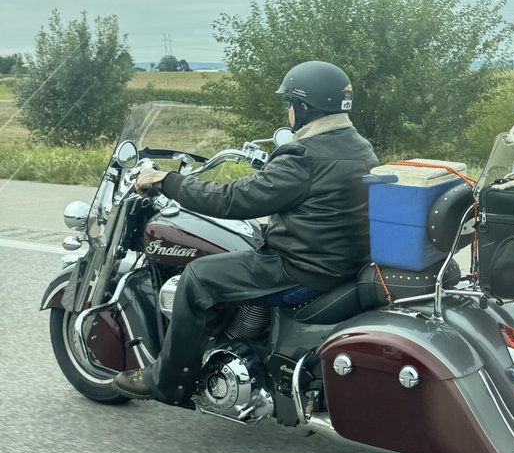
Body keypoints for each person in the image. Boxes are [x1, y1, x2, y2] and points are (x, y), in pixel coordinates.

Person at [112, 61, 379, 404]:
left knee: (197, 277)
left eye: (289, 104)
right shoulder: (358, 146)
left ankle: (167, 380)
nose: (287, 112)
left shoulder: (304, 155)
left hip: (304, 268)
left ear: (304, 106)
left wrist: (168, 181)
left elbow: (234, 200)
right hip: (343, 261)